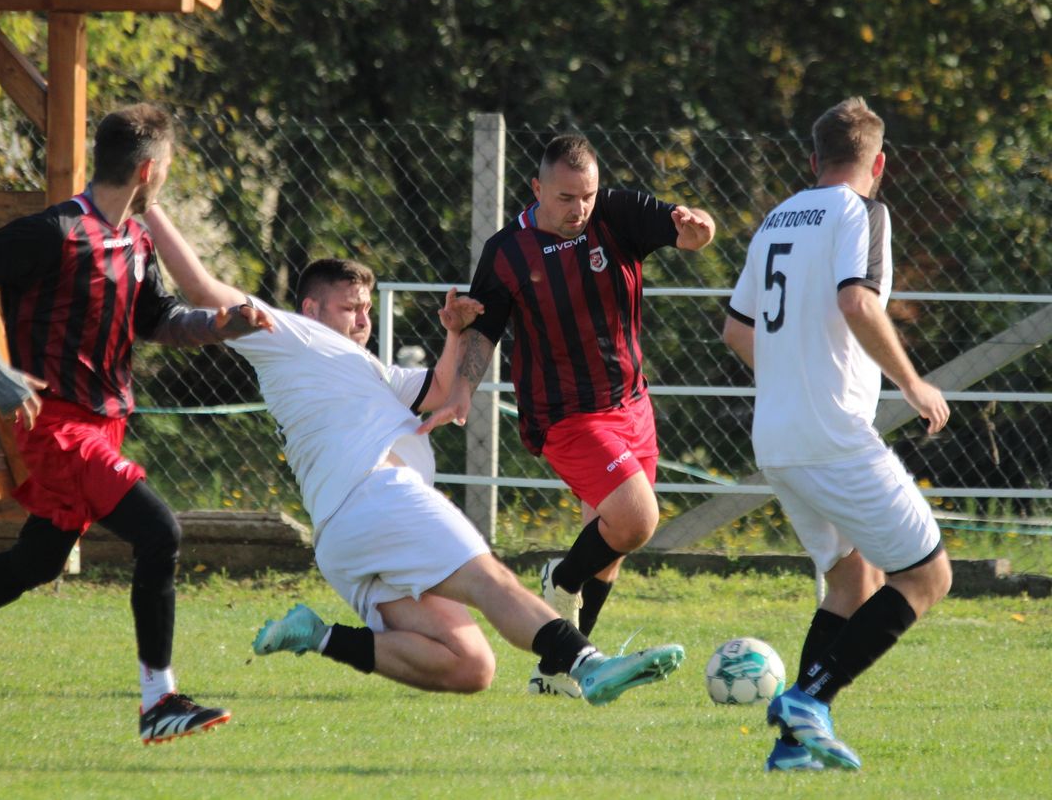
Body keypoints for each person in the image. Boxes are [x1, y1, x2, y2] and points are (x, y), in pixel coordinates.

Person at [148, 238, 685, 704]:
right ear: (311, 309)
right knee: (489, 578)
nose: (362, 319)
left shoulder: (367, 369)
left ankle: (317, 636)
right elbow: (198, 285)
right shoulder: (290, 335)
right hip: (377, 497)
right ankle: (586, 665)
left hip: (343, 541)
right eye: (349, 308)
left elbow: (443, 391)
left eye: (366, 309)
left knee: (470, 666)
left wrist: (454, 333)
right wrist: (145, 210)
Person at [0, 103, 273, 745]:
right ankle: (160, 701)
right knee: (159, 532)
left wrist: (220, 326)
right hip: (59, 427)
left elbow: (157, 321)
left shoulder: (136, 237)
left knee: (37, 561)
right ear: (149, 169)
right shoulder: (56, 230)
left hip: (104, 425)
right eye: (169, 166)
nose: (167, 176)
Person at [419, 133, 716, 697]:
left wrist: (699, 231)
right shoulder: (507, 251)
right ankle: (560, 579)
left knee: (610, 544)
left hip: (632, 402)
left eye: (587, 195)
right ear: (536, 189)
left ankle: (556, 673)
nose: (579, 208)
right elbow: (483, 329)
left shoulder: (618, 213)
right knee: (635, 520)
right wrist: (461, 391)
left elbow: (685, 232)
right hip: (565, 416)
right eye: (564, 197)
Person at [722, 97, 952, 771]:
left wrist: (794, 373)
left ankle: (794, 748)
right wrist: (913, 383)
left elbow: (737, 329)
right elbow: (857, 300)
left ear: (811, 159)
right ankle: (807, 699)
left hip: (779, 435)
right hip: (833, 435)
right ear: (877, 164)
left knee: (852, 580)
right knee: (929, 573)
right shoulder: (862, 212)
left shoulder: (774, 220)